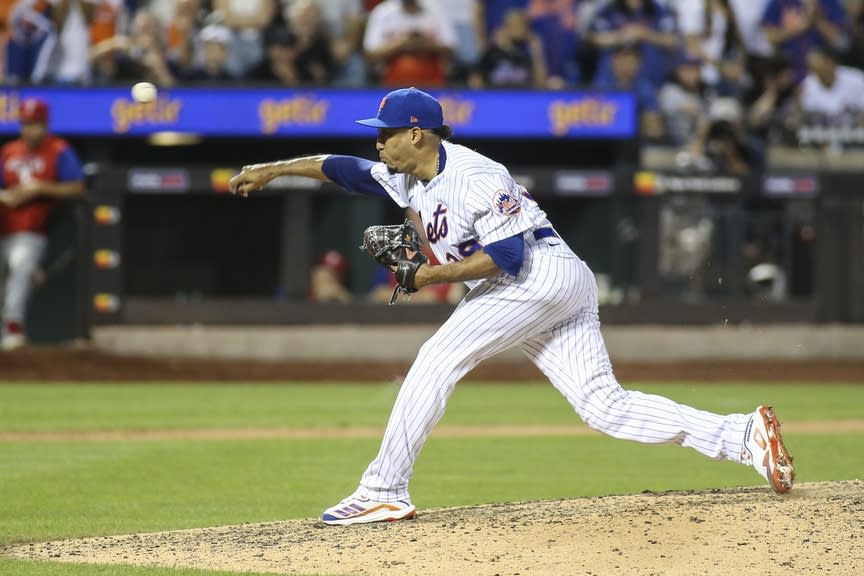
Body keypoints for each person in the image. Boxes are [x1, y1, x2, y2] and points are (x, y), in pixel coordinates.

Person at [228, 87, 796, 526]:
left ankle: (383, 492)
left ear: (419, 134)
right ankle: (742, 434)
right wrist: (274, 168)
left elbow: (504, 256)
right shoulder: (411, 178)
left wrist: (428, 274)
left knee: (436, 358)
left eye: (388, 133)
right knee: (605, 407)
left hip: (535, 276)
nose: (378, 142)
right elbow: (341, 168)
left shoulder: (476, 175)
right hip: (553, 283)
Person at [0, 98, 85, 350]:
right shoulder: (8, 152)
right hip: (4, 223)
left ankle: (13, 328)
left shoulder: (58, 150)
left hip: (31, 229)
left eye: (36, 124)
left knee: (20, 270)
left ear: (46, 124)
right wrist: (7, 196)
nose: (31, 129)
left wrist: (40, 187)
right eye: (26, 123)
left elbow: (77, 187)